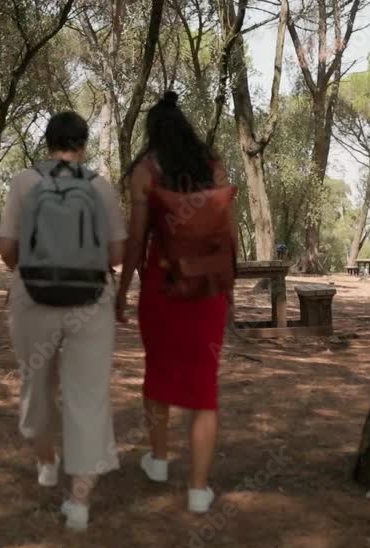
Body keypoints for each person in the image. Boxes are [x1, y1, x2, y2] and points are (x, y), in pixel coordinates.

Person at [0, 111, 126, 530]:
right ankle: (79, 502)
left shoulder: (24, 182)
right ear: (83, 145)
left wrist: (34, 269)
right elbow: (116, 254)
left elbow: (6, 247)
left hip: (33, 297)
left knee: (38, 382)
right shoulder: (100, 187)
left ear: (48, 143)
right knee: (88, 395)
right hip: (91, 300)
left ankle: (47, 461)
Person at [115, 92, 236, 513]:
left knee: (158, 371)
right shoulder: (214, 167)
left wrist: (122, 290)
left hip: (162, 288)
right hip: (208, 289)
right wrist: (229, 288)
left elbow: (136, 240)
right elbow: (229, 235)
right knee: (204, 386)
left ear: (152, 132)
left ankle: (159, 459)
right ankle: (199, 489)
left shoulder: (145, 171)